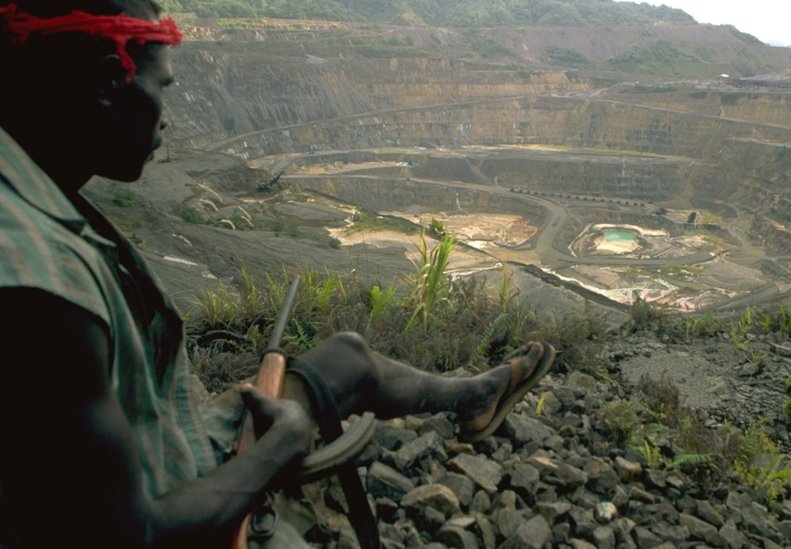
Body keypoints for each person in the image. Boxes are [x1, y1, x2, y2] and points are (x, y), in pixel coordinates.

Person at [0, 1, 555, 547]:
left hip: (159, 451)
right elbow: (130, 534)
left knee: (349, 358)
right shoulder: (40, 290)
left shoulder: (31, 191)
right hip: (161, 499)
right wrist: (276, 449)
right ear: (104, 82)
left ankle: (472, 397)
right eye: (163, 87)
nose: (167, 114)